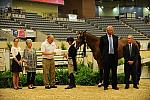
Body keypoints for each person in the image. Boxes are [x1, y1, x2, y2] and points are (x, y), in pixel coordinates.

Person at [100, 25, 119, 90]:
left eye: (112, 30)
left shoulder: (116, 38)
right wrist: (103, 56)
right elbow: (101, 48)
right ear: (107, 31)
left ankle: (114, 86)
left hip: (114, 57)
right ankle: (106, 86)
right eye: (111, 30)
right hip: (106, 57)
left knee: (114, 72)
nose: (112, 31)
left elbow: (116, 47)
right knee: (106, 72)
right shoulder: (103, 38)